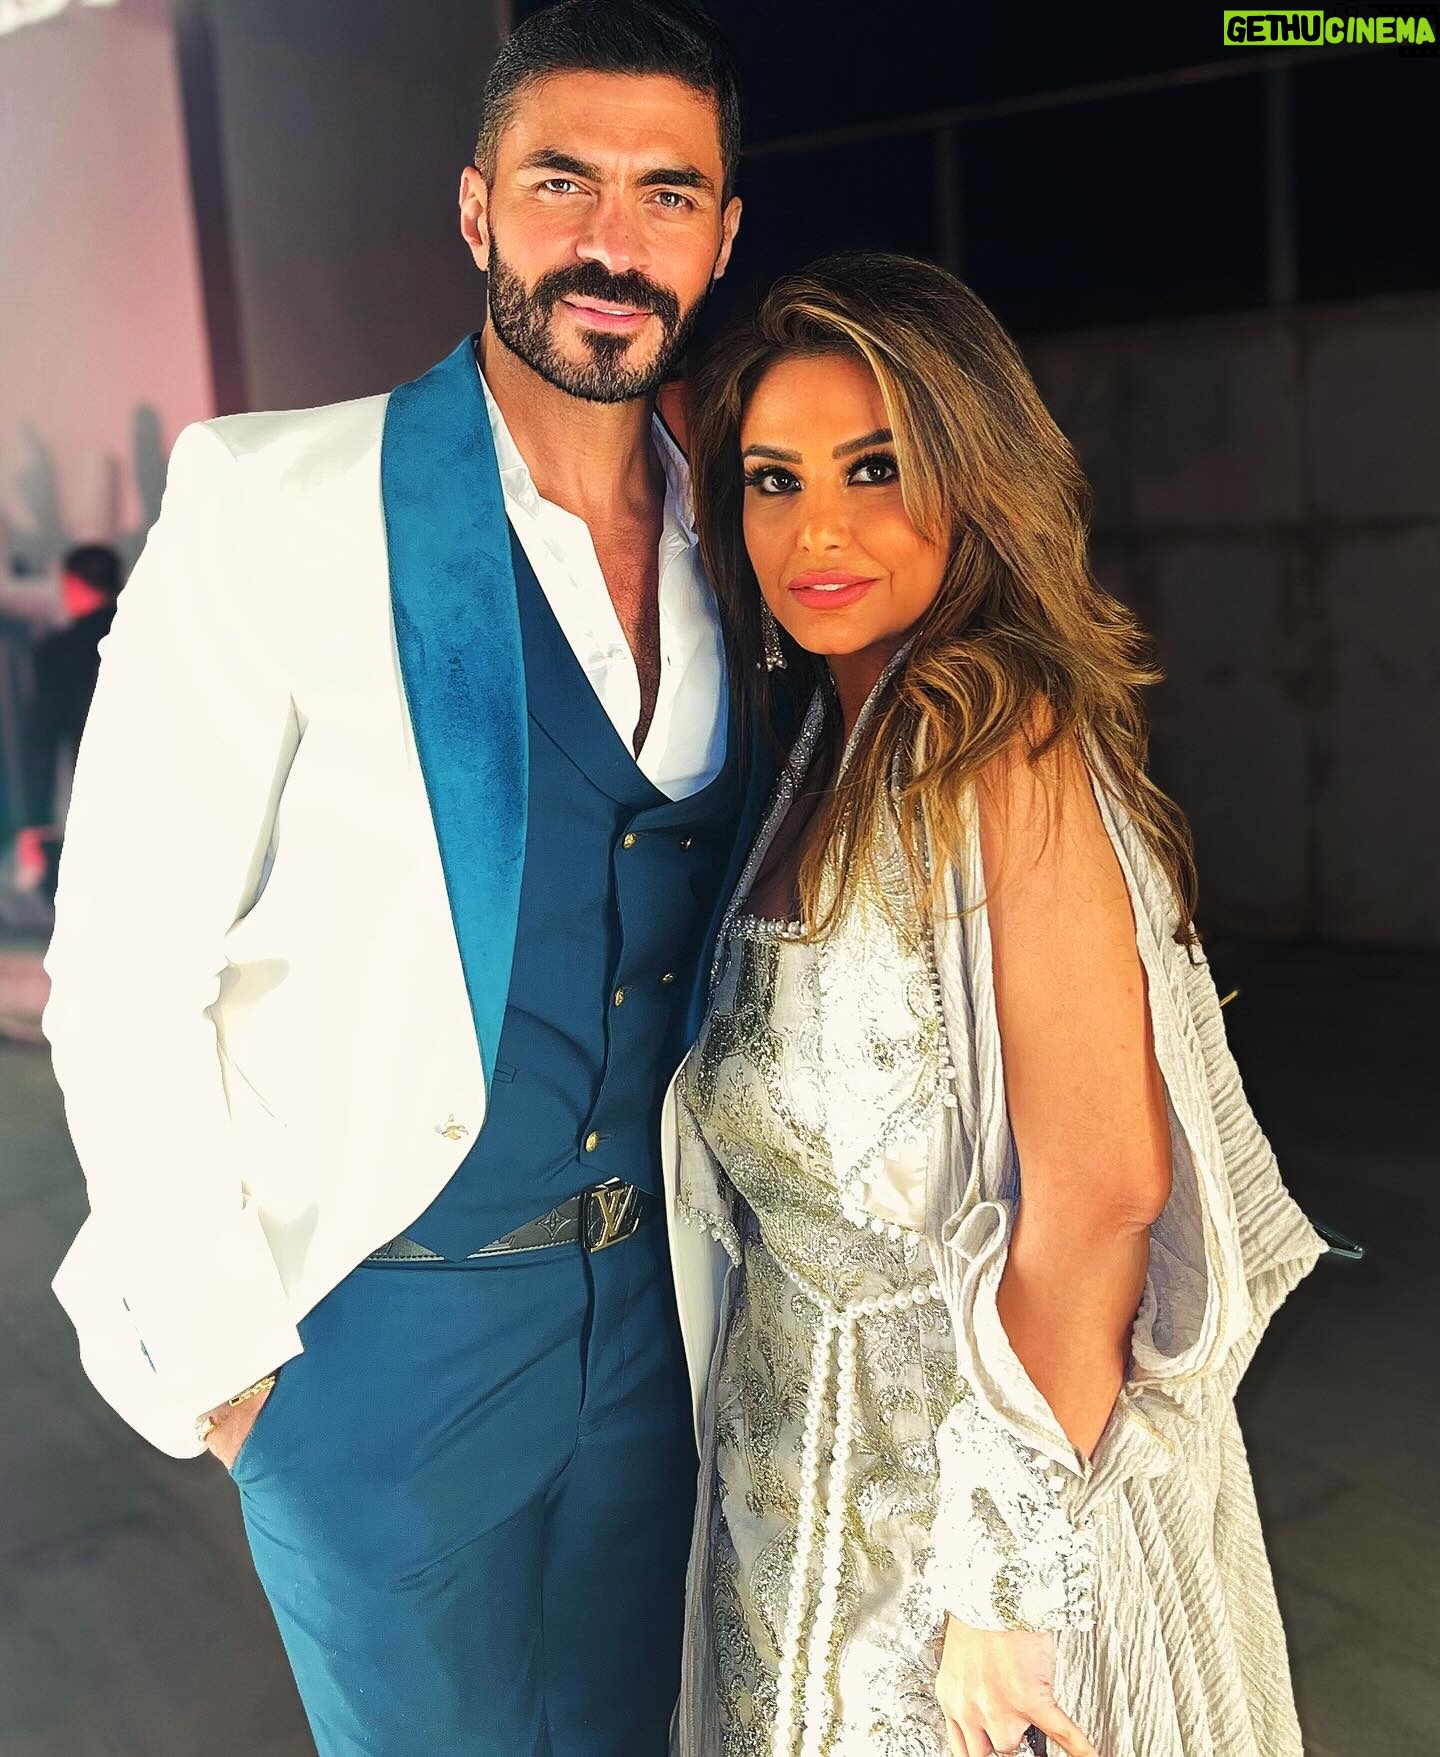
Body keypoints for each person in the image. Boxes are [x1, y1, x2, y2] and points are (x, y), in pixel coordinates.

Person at [44, 4, 755, 1752]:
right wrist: (238, 1370)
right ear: (475, 206)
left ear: (724, 234)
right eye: (563, 182)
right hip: (376, 1341)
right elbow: (123, 969)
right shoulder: (274, 497)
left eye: (667, 193)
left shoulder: (745, 541)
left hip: (662, 1337)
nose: (613, 241)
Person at [667, 254, 1326, 1757]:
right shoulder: (815, 758)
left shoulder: (998, 740)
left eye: (876, 468)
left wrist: (1006, 1588)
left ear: (977, 482)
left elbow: (1103, 1189)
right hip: (784, 1534)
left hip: (966, 1567)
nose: (818, 529)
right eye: (773, 480)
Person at [17, 542, 123, 900]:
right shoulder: (142, 640)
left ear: (73, 584)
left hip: (88, 792)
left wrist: (36, 822)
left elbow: (41, 743)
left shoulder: (60, 650)